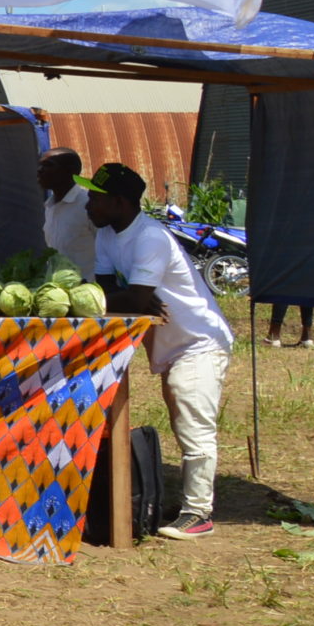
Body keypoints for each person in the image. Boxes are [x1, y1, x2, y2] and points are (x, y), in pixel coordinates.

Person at [86, 162, 234, 540]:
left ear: (119, 202)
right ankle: (189, 503)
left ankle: (199, 514)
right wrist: (130, 299)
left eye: (95, 197)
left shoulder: (151, 237)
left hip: (198, 343)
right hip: (173, 345)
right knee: (181, 419)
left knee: (193, 425)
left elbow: (129, 298)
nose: (88, 203)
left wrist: (132, 299)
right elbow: (109, 294)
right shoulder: (107, 234)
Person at [37, 148, 99, 277]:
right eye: (40, 165)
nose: (40, 170)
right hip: (60, 290)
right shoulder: (49, 206)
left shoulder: (88, 205)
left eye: (48, 165)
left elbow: (108, 251)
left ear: (70, 171)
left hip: (87, 290)